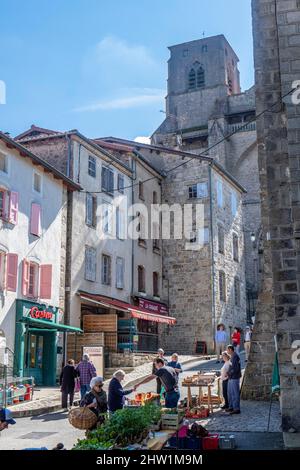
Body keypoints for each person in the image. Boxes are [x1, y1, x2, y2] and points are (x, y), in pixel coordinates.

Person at [226, 344, 242, 415]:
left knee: (235, 393)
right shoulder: (232, 356)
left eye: (227, 349)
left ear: (230, 350)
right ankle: (231, 407)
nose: (227, 351)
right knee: (230, 393)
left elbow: (235, 369)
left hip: (234, 377)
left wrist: (229, 373)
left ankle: (236, 408)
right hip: (231, 377)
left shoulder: (235, 356)